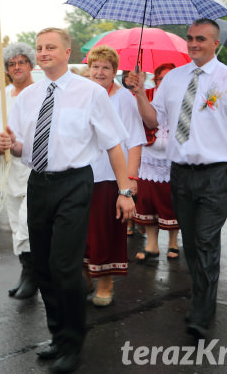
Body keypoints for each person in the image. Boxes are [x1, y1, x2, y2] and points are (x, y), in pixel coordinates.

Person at [0, 28, 135, 373]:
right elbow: (21, 147)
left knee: (64, 265)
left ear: (67, 51)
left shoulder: (90, 92)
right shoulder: (27, 96)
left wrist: (125, 190)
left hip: (74, 183)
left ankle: (73, 343)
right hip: (39, 184)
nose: (43, 53)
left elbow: (114, 143)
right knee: (42, 265)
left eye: (50, 47)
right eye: (39, 48)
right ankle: (57, 336)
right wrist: (6, 143)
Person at [131, 18, 227, 340]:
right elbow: (154, 120)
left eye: (200, 39)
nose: (193, 44)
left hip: (215, 174)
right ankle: (203, 298)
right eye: (189, 38)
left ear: (215, 43)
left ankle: (201, 309)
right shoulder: (173, 79)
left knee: (204, 240)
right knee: (192, 242)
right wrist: (139, 93)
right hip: (180, 174)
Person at [84, 46, 145, 307]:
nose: (100, 72)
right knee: (82, 231)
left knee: (107, 231)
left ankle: (106, 284)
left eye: (106, 67)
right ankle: (85, 277)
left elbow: (135, 141)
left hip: (111, 177)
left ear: (114, 71)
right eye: (95, 66)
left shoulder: (124, 99)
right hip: (81, 175)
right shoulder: (81, 94)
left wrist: (129, 180)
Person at [0, 42, 37, 300]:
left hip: (33, 170)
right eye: (11, 64)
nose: (16, 67)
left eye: (21, 62)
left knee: (28, 223)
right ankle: (26, 272)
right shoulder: (5, 94)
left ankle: (35, 276)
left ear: (30, 65)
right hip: (9, 172)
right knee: (16, 223)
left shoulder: (40, 92)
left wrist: (19, 145)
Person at [128, 63, 181, 261]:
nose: (164, 82)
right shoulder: (146, 95)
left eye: (169, 78)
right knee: (147, 201)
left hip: (173, 159)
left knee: (171, 201)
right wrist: (139, 92)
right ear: (155, 80)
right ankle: (152, 244)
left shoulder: (182, 98)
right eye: (161, 79)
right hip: (149, 158)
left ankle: (173, 242)